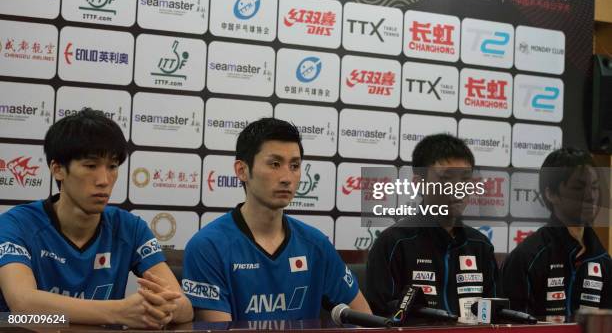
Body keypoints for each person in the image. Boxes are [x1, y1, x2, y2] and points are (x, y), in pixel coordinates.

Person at [0, 108, 193, 328]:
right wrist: (118, 313)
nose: (104, 180)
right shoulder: (17, 224)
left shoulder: (130, 228)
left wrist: (165, 307)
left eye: (112, 167)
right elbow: (22, 307)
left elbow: (185, 308)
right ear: (58, 169)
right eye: (91, 166)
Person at [182, 117, 371, 321]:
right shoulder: (207, 247)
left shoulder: (316, 244)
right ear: (242, 170)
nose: (286, 177)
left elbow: (365, 319)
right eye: (275, 164)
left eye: (295, 166)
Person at [365, 134, 498, 322]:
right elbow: (378, 317)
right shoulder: (394, 243)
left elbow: (493, 317)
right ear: (419, 183)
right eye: (446, 178)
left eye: (466, 179)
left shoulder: (481, 245)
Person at [502, 147, 611, 320]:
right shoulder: (527, 257)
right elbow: (514, 327)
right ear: (551, 194)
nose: (591, 196)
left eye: (595, 187)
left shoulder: (603, 260)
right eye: (579, 187)